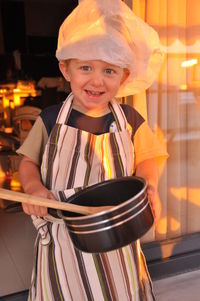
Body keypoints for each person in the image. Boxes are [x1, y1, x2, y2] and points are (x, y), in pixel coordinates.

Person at [17, 0, 168, 300]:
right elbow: (27, 161)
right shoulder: (49, 120)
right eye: (85, 67)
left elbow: (150, 156)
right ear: (66, 68)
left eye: (109, 71)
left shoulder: (130, 121)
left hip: (117, 239)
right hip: (65, 243)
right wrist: (34, 189)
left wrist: (149, 186)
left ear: (124, 76)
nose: (97, 80)